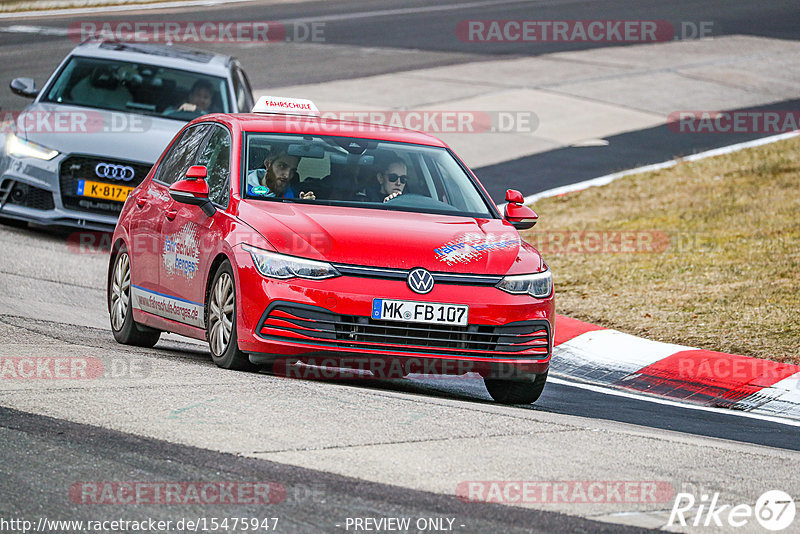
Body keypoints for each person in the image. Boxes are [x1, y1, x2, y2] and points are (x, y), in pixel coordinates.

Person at [246, 147, 316, 200]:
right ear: (267, 164)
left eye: (292, 170)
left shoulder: (294, 195)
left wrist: (302, 204)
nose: (287, 175)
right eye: (282, 166)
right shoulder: (241, 189)